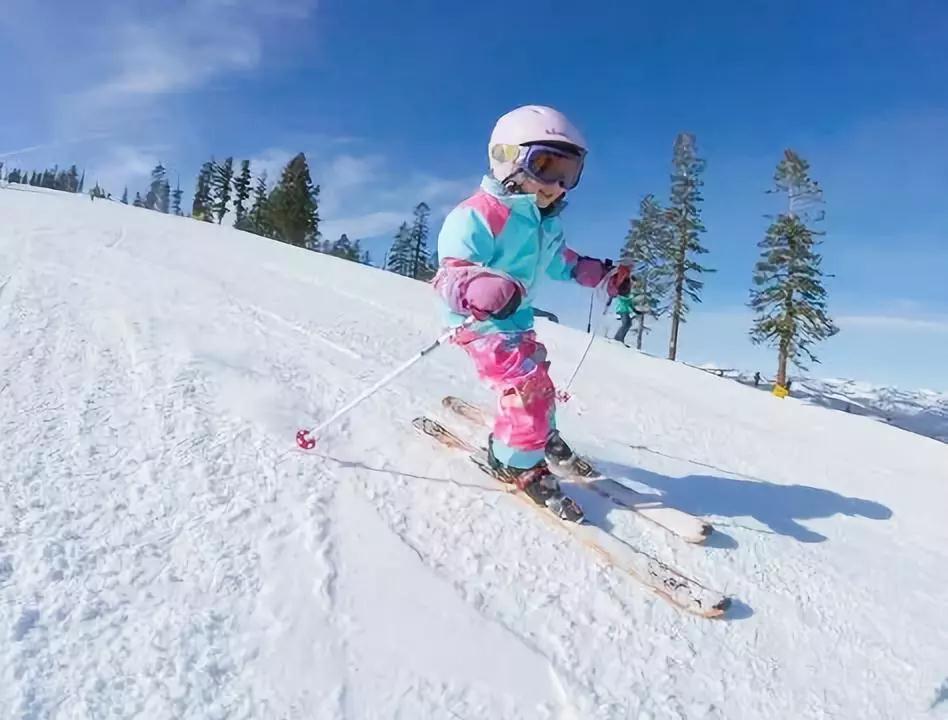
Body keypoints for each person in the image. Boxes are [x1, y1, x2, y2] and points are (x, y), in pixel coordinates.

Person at [433, 105, 630, 522]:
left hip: (516, 321)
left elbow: (563, 261)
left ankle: (541, 432)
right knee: (527, 385)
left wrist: (600, 275)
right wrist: (477, 287)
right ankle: (514, 462)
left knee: (537, 374)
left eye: (569, 173)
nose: (557, 185)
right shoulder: (477, 214)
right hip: (480, 323)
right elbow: (449, 277)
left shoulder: (545, 224)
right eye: (545, 165)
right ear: (506, 159)